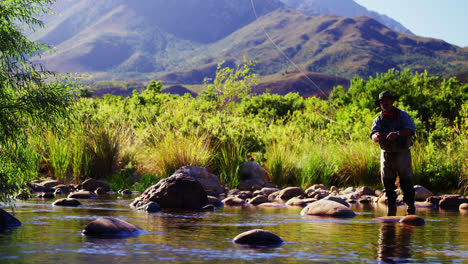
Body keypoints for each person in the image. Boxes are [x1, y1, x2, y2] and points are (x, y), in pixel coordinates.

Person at [370, 91, 416, 216]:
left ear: (392, 101)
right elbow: (372, 135)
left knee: (406, 183)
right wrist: (376, 136)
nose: (384, 103)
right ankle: (391, 211)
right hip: (386, 155)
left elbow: (411, 130)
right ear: (380, 104)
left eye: (387, 100)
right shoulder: (378, 119)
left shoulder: (403, 115)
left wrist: (398, 134)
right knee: (388, 185)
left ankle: (410, 209)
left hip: (403, 154)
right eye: (382, 102)